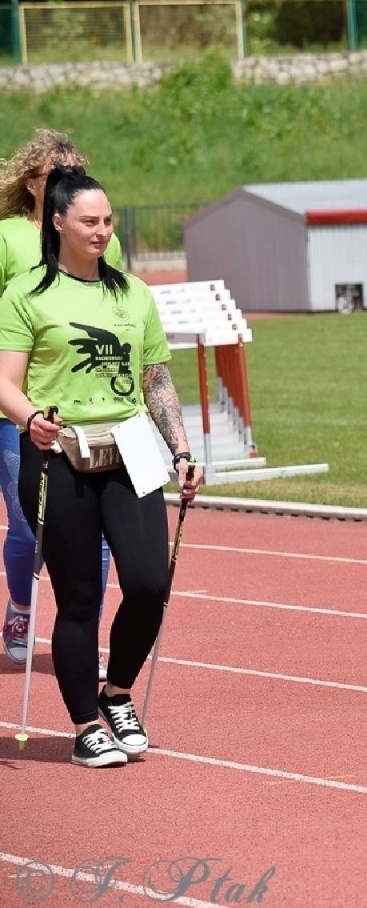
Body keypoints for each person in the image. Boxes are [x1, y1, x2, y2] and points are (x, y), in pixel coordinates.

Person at [0, 166, 204, 767]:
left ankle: (117, 695)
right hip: (58, 453)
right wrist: (31, 416)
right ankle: (86, 725)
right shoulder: (26, 295)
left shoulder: (133, 293)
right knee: (80, 594)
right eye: (89, 221)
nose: (101, 230)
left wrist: (183, 450)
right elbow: (5, 382)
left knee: (148, 583)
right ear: (58, 222)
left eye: (108, 220)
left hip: (132, 447)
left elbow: (156, 378)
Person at [0, 131, 119, 670]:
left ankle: (82, 627)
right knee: (30, 524)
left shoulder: (102, 241)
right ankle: (22, 604)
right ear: (31, 185)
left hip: (86, 410)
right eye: (55, 172)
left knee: (94, 535)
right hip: (17, 408)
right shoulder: (7, 239)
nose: (67, 179)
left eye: (76, 168)